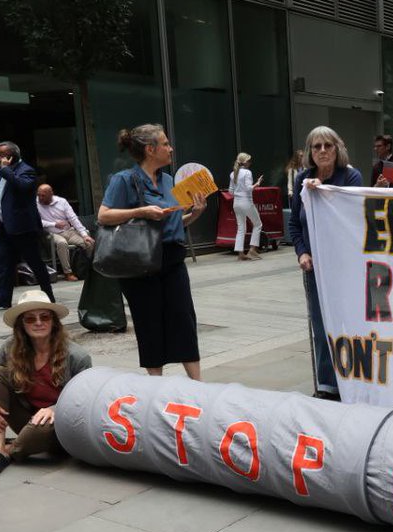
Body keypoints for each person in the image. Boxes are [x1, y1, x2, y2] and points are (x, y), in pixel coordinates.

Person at [98, 124, 207, 379]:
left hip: (172, 258)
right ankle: (155, 385)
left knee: (184, 319)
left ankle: (198, 385)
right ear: (150, 149)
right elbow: (104, 216)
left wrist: (195, 214)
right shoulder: (124, 179)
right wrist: (140, 211)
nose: (170, 148)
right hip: (139, 263)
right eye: (166, 143)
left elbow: (173, 224)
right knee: (149, 323)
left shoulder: (169, 180)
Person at [0, 289, 92, 479]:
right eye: (30, 319)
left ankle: (7, 450)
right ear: (21, 325)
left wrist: (56, 409)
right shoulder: (11, 346)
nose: (39, 323)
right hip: (27, 417)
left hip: (61, 425)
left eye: (44, 317)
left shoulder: (77, 356)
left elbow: (86, 398)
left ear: (54, 322)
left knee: (43, 424)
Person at [288, 125, 363, 399]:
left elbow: (354, 220)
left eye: (327, 146)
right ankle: (327, 387)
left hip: (344, 269)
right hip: (315, 268)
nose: (322, 151)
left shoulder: (351, 177)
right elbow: (294, 224)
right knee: (320, 330)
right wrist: (302, 252)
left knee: (348, 326)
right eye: (316, 147)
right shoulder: (302, 180)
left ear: (337, 148)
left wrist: (325, 193)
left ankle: (352, 383)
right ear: (309, 152)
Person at [0, 141, 55, 310]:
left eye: (1, 155)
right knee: (5, 264)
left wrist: (6, 170)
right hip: (5, 228)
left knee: (35, 263)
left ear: (12, 155)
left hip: (23, 228)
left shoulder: (26, 170)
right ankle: (2, 299)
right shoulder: (3, 172)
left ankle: (49, 295)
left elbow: (24, 187)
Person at [36, 183, 94, 281]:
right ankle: (68, 273)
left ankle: (92, 269)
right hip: (51, 233)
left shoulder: (61, 202)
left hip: (68, 231)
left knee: (88, 242)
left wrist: (84, 235)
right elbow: (36, 222)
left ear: (51, 194)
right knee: (62, 243)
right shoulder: (35, 204)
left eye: (43, 195)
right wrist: (53, 224)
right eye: (39, 195)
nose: (40, 198)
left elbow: (73, 218)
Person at [228, 152, 263, 261]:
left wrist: (238, 192)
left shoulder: (233, 173)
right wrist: (257, 183)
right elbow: (249, 188)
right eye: (249, 161)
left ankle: (240, 253)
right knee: (258, 224)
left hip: (236, 203)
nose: (250, 163)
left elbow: (230, 191)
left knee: (241, 228)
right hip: (246, 202)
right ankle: (252, 249)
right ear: (245, 162)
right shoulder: (247, 172)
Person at [284, 148, 305, 244]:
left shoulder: (306, 168)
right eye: (300, 156)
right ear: (297, 158)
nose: (302, 157)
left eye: (303, 155)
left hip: (304, 194)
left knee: (304, 215)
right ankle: (297, 237)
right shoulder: (292, 170)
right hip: (295, 194)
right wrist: (290, 191)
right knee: (296, 216)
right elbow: (290, 182)